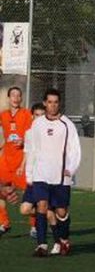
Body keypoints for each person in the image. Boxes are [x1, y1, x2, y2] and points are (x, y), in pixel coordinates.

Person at [22, 88, 80, 257]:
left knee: (61, 211)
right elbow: (32, 149)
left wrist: (71, 168)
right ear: (45, 103)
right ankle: (41, 245)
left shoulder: (67, 124)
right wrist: (29, 173)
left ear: (59, 103)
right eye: (49, 102)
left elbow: (75, 149)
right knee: (41, 205)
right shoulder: (38, 123)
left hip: (61, 176)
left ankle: (63, 239)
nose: (52, 105)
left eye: (56, 102)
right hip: (41, 174)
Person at [0, 86, 34, 237]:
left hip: (22, 161)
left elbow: (32, 135)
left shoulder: (26, 114)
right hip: (6, 161)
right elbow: (6, 136)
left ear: (21, 98)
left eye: (18, 95)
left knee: (29, 194)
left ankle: (34, 227)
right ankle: (4, 223)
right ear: (8, 98)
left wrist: (24, 141)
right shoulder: (3, 115)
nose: (15, 98)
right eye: (13, 95)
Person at [18, 102, 50, 241]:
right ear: (32, 116)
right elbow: (27, 152)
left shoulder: (50, 133)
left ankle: (46, 231)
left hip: (45, 177)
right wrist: (22, 165)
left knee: (44, 207)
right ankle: (46, 211)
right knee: (24, 209)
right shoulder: (29, 134)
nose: (39, 118)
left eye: (42, 115)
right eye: (36, 115)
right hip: (32, 177)